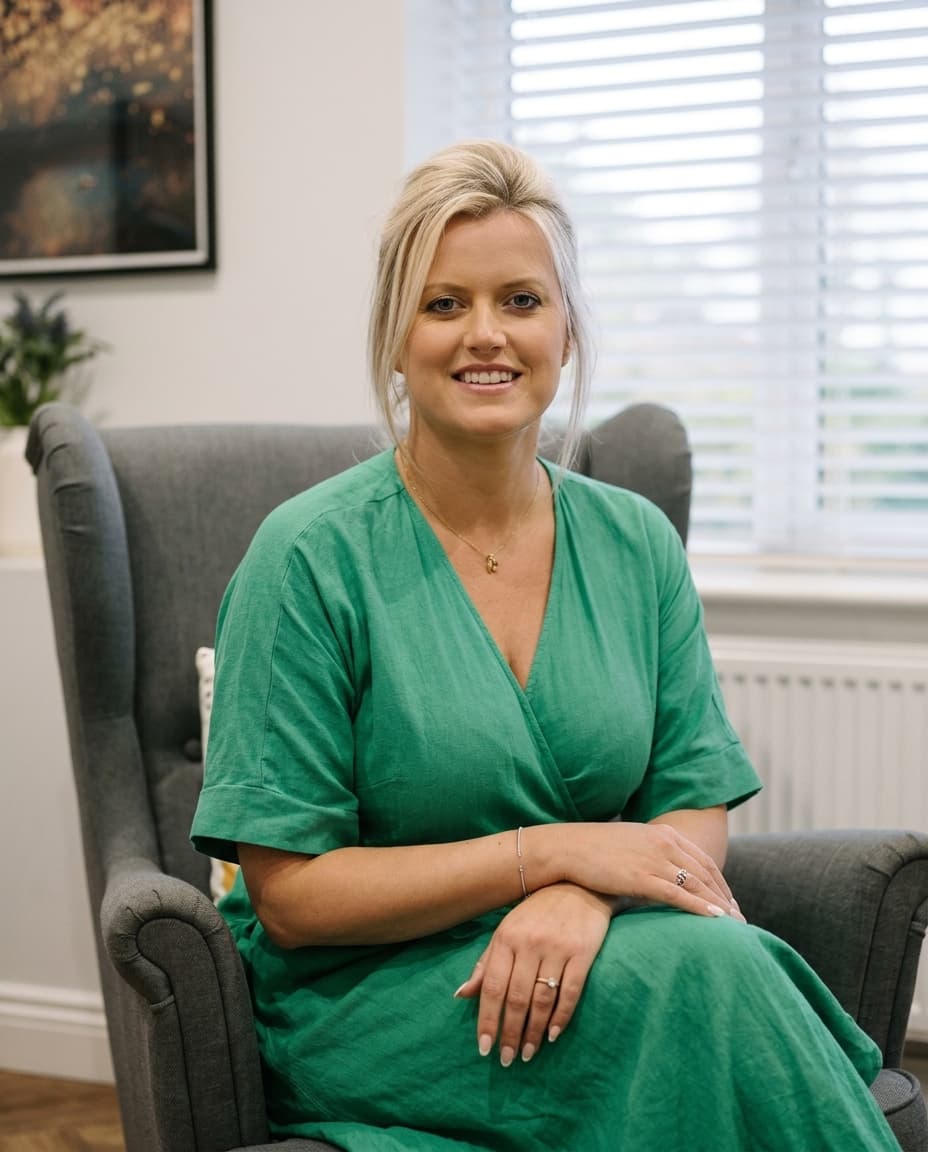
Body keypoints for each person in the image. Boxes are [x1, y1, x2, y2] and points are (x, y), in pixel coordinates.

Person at [191, 139, 900, 1151]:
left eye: (521, 301)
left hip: (592, 952)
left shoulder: (633, 542)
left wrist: (581, 893)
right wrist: (547, 854)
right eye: (444, 304)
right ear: (396, 336)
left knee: (708, 974)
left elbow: (687, 802)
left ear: (565, 333)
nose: (486, 334)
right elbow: (295, 896)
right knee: (713, 982)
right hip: (368, 1000)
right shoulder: (304, 557)